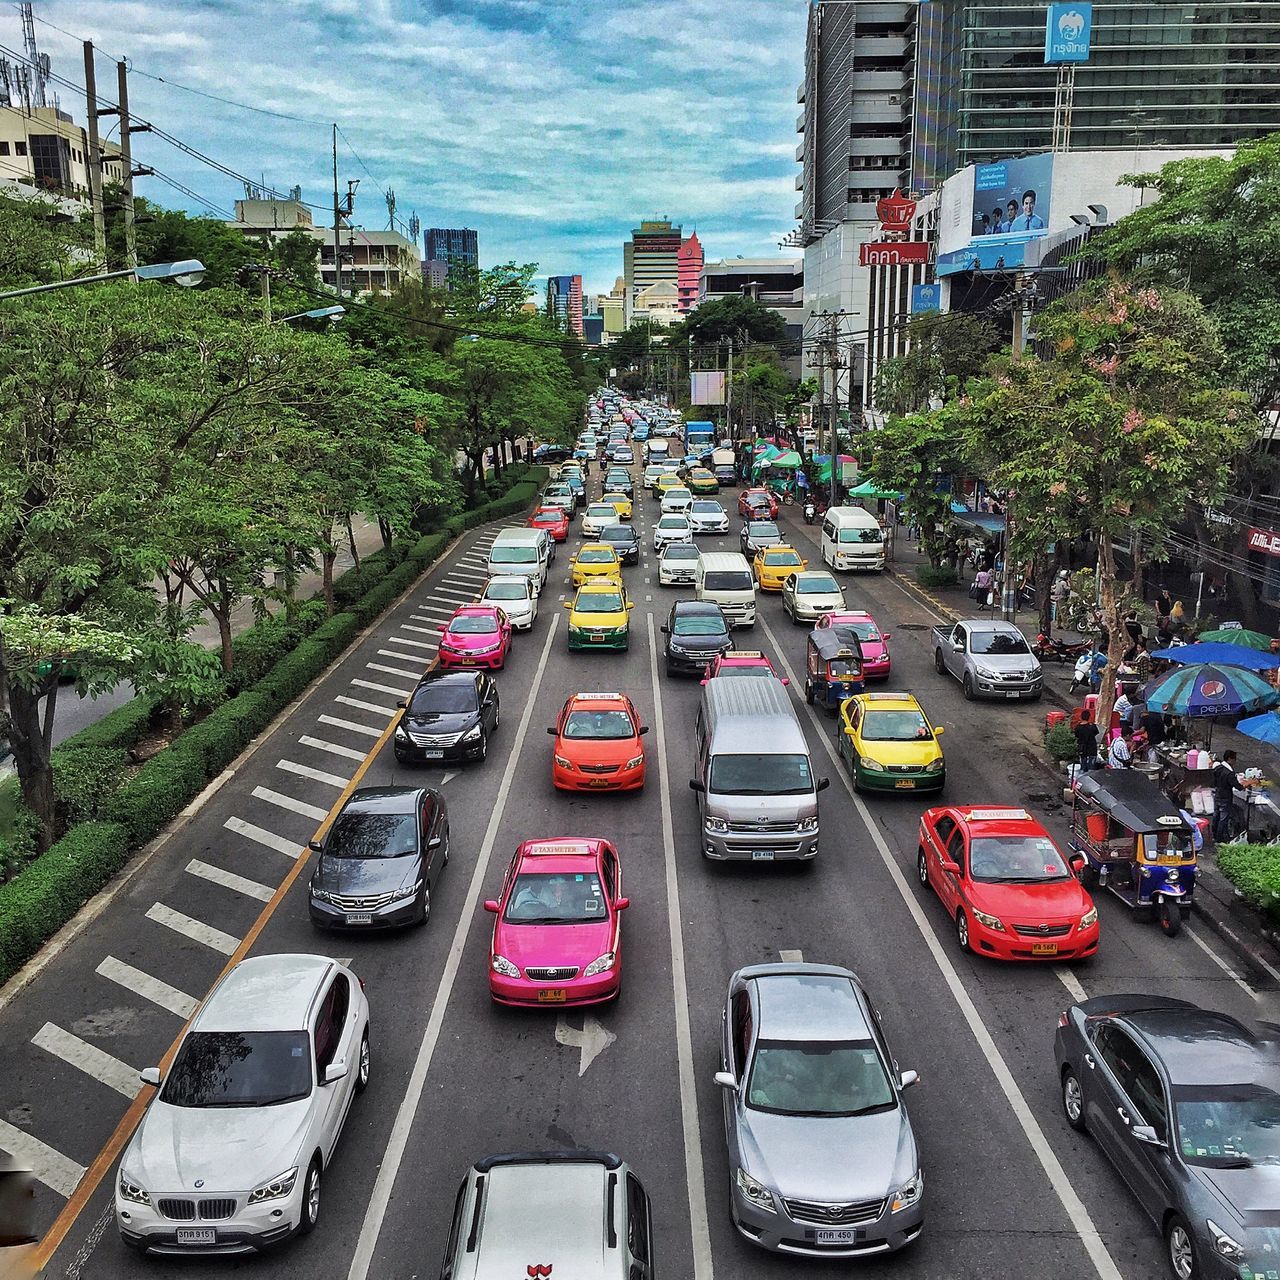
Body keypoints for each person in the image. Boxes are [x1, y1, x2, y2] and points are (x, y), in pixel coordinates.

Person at [1211, 750, 1240, 842]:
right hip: (1225, 798)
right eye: (1234, 759)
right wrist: (1247, 783)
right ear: (1230, 759)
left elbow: (1213, 781)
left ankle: (1214, 835)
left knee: (1216, 816)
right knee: (1223, 819)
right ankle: (1219, 839)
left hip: (1217, 795)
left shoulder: (1218, 768)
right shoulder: (1229, 773)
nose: (1235, 761)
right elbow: (1238, 786)